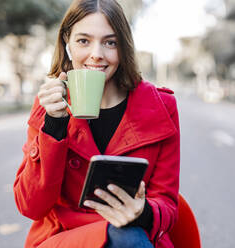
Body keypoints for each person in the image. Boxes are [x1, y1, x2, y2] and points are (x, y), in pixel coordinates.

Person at [13, 0, 180, 247]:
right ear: (67, 43)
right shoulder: (50, 102)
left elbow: (167, 203)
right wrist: (54, 126)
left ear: (123, 48)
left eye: (110, 42)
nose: (97, 54)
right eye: (83, 41)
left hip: (130, 232)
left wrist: (142, 213)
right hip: (64, 236)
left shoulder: (160, 106)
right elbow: (31, 206)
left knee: (129, 236)